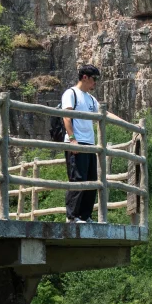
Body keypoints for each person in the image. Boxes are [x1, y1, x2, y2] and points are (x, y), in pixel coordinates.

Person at [61, 65, 102, 221]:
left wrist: (127, 123)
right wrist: (73, 140)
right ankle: (71, 217)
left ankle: (85, 216)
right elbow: (66, 116)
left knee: (91, 181)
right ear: (85, 77)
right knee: (78, 179)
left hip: (90, 144)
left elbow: (105, 114)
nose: (95, 83)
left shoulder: (91, 98)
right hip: (76, 142)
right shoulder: (71, 93)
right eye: (94, 79)